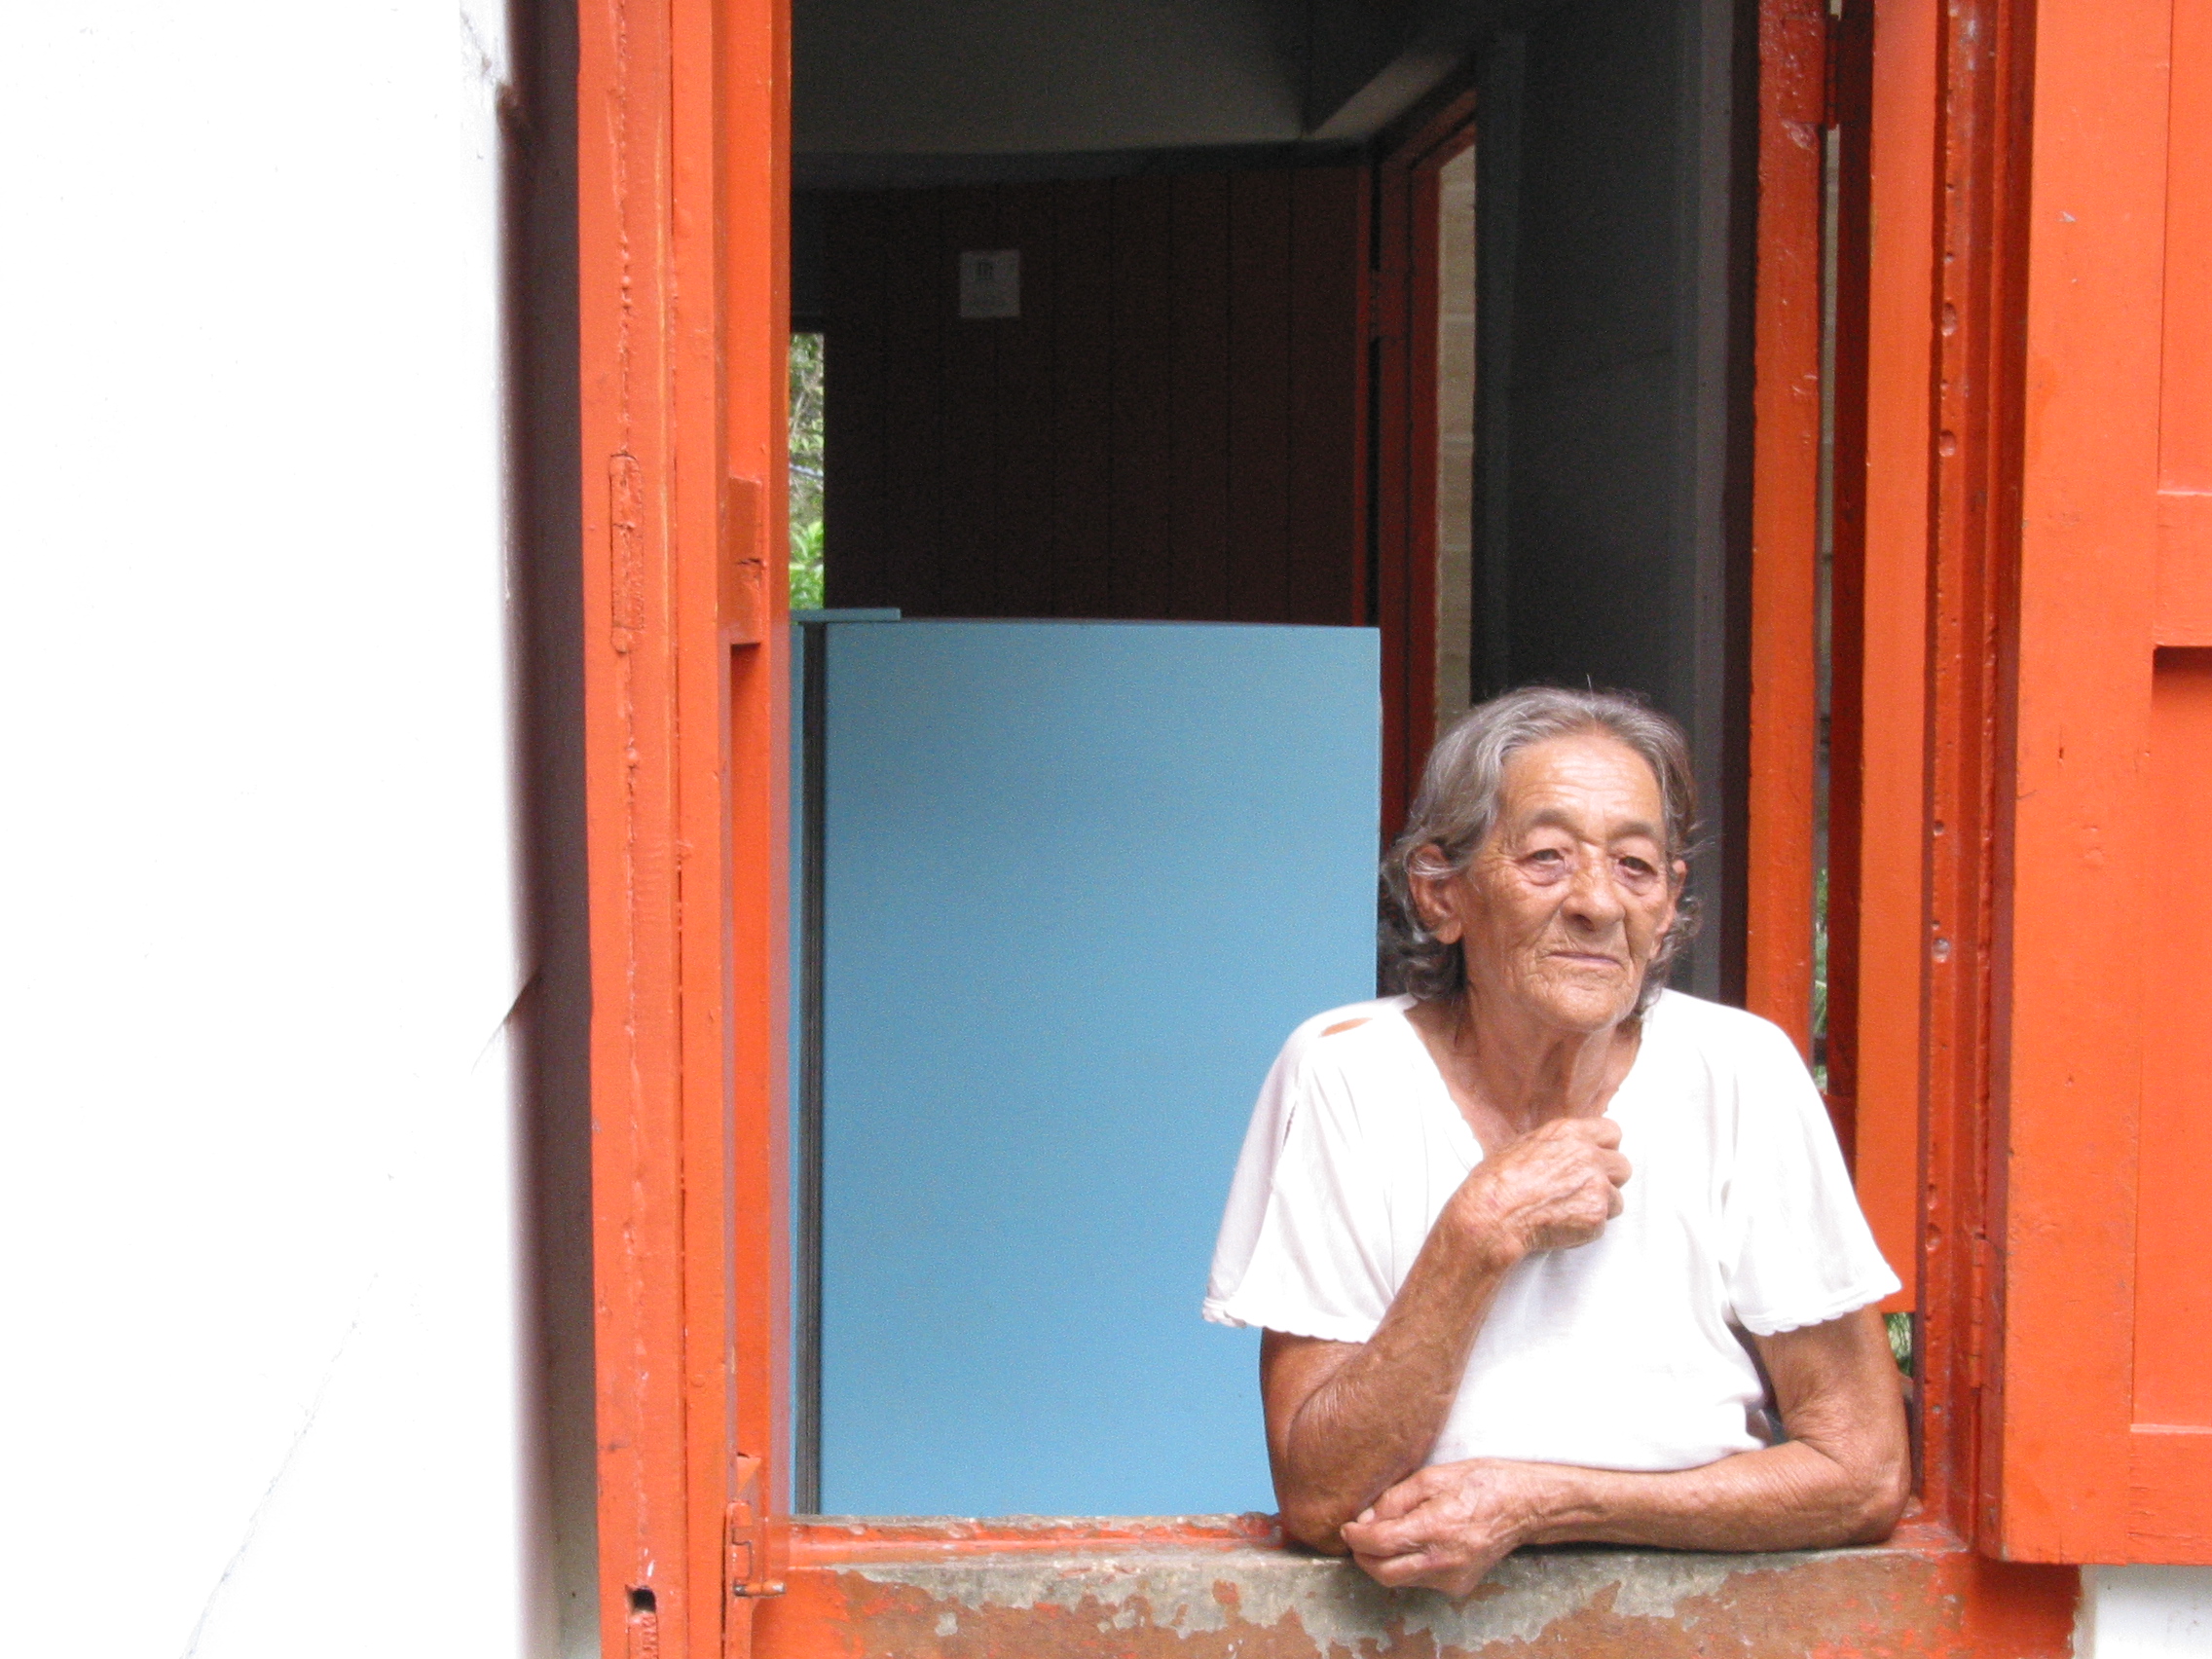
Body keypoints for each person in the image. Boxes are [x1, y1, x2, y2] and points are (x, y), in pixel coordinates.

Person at [1203, 686, 1909, 1596]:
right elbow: (1321, 1496)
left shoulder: (1740, 1071)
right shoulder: (1346, 1072)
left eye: (1636, 866)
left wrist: (1544, 1502)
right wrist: (1478, 1232)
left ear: (1668, 908)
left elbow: (1862, 1473)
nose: (1597, 903)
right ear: (1441, 892)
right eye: (1546, 858)